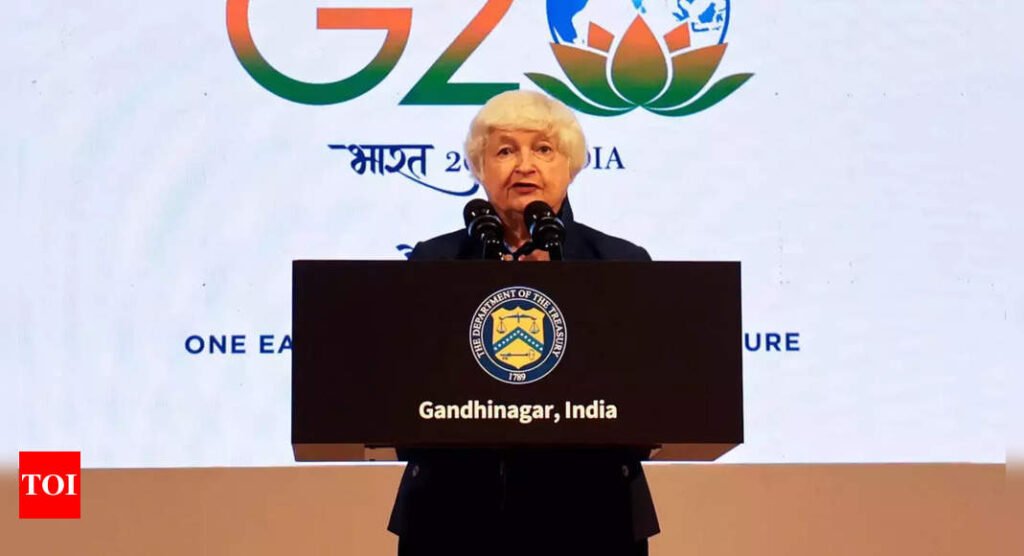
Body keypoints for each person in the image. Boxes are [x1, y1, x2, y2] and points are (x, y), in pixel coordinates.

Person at [387, 90, 659, 556]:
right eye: (505, 151)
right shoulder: (435, 263)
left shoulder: (618, 263)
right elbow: (406, 389)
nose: (525, 166)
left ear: (570, 166)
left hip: (595, 514)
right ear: (480, 168)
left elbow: (646, 393)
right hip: (449, 514)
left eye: (544, 149)